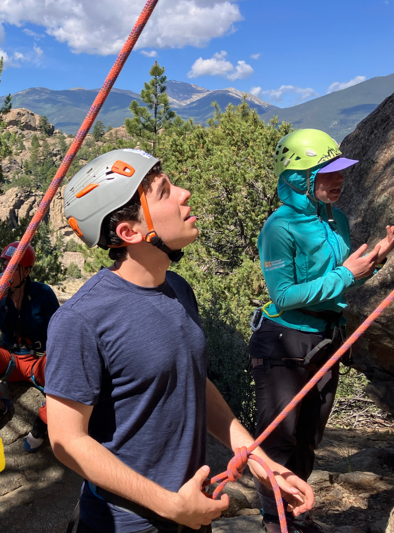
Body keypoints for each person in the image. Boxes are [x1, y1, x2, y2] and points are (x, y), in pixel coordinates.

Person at [45, 149, 314, 533]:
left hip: (191, 511)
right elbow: (65, 439)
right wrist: (170, 506)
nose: (184, 194)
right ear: (129, 232)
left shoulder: (177, 289)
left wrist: (255, 456)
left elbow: (188, 379)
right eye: (164, 191)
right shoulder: (82, 320)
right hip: (126, 525)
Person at [249, 129, 394, 533]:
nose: (339, 179)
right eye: (326, 173)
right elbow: (284, 295)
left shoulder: (336, 220)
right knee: (281, 438)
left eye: (340, 172)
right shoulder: (280, 227)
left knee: (310, 436)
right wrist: (349, 272)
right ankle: (272, 519)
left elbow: (339, 283)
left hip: (325, 339)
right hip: (285, 343)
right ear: (300, 178)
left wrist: (375, 262)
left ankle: (297, 514)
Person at [0, 242, 60, 452]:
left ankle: (43, 421)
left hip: (39, 361)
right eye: (4, 266)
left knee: (70, 365)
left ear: (27, 270)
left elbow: (60, 337)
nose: (6, 272)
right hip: (12, 360)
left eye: (12, 267)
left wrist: (50, 367)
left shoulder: (43, 294)